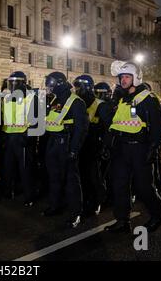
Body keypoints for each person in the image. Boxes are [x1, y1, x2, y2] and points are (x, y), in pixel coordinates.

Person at [105, 61, 161, 233]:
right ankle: (122, 220)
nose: (123, 80)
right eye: (121, 77)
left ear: (136, 78)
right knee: (119, 185)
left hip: (140, 149)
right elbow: (112, 122)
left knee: (143, 187)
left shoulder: (148, 98)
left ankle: (158, 216)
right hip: (122, 149)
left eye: (126, 77)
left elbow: (159, 127)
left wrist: (153, 148)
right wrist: (113, 100)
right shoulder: (121, 98)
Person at [43, 72, 88, 228]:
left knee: (71, 181)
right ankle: (55, 206)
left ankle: (76, 213)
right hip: (53, 143)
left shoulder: (76, 102)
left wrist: (74, 150)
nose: (48, 87)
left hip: (66, 144)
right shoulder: (56, 99)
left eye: (50, 83)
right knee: (54, 177)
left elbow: (81, 129)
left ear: (59, 84)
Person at [74, 75, 113, 216]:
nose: (76, 89)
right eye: (76, 87)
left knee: (94, 176)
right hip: (81, 145)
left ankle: (97, 201)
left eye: (79, 87)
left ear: (87, 87)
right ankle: (85, 200)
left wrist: (105, 147)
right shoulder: (76, 103)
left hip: (94, 145)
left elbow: (110, 128)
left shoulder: (100, 105)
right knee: (82, 176)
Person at [1, 71, 37, 207]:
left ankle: (29, 196)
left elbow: (35, 121)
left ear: (23, 83)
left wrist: (27, 137)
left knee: (25, 169)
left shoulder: (30, 97)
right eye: (11, 82)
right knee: (8, 167)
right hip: (9, 136)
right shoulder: (6, 97)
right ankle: (9, 191)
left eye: (16, 82)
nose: (13, 85)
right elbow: (4, 117)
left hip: (23, 137)